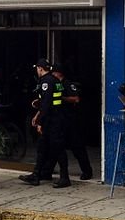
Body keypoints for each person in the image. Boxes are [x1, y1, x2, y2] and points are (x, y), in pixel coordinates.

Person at [19, 58, 70, 188]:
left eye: (37, 68)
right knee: (42, 148)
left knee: (58, 149)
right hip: (54, 118)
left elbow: (46, 104)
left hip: (53, 121)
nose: (36, 70)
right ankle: (37, 174)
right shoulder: (55, 80)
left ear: (40, 69)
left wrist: (39, 121)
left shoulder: (46, 82)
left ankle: (65, 178)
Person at [52, 64, 93, 181]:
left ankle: (87, 171)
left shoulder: (67, 84)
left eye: (54, 73)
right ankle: (47, 170)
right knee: (56, 146)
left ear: (58, 73)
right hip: (61, 120)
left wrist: (62, 98)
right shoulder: (57, 85)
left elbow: (76, 99)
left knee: (78, 148)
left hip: (72, 121)